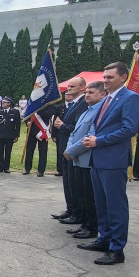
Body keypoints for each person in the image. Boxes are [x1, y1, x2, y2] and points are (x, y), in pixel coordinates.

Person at [77, 61, 139, 266]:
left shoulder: (129, 98)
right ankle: (103, 239)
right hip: (98, 159)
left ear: (123, 77)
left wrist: (99, 141)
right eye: (104, 77)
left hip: (113, 161)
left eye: (110, 77)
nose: (105, 81)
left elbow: (129, 129)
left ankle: (116, 249)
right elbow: (100, 125)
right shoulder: (106, 99)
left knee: (115, 206)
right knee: (101, 204)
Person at [63, 80, 106, 240]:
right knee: (81, 193)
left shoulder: (100, 112)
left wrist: (71, 151)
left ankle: (91, 227)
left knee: (90, 197)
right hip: (78, 158)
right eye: (86, 92)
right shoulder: (86, 111)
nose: (87, 95)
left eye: (91, 93)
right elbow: (74, 133)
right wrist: (70, 149)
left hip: (88, 159)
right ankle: (85, 224)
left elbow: (90, 136)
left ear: (102, 94)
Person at [53, 78, 88, 222]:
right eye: (68, 86)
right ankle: (70, 209)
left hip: (73, 150)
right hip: (65, 148)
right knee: (67, 182)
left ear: (82, 88)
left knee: (74, 185)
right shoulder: (73, 104)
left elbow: (78, 129)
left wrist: (62, 126)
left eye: (72, 86)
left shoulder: (83, 105)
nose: (68, 89)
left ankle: (76, 213)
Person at [23, 104, 56, 176]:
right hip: (32, 130)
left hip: (42, 131)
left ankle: (41, 170)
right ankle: (27, 168)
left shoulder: (48, 104)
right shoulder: (34, 102)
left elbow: (50, 114)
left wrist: (38, 109)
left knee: (43, 151)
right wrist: (27, 122)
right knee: (29, 150)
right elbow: (27, 114)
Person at [0, 97, 21, 173]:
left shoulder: (15, 112)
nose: (2, 104)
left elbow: (17, 125)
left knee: (8, 152)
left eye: (4, 102)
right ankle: (0, 167)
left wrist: (16, 135)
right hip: (0, 135)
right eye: (2, 102)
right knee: (0, 152)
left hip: (10, 136)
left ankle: (6, 167)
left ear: (9, 103)